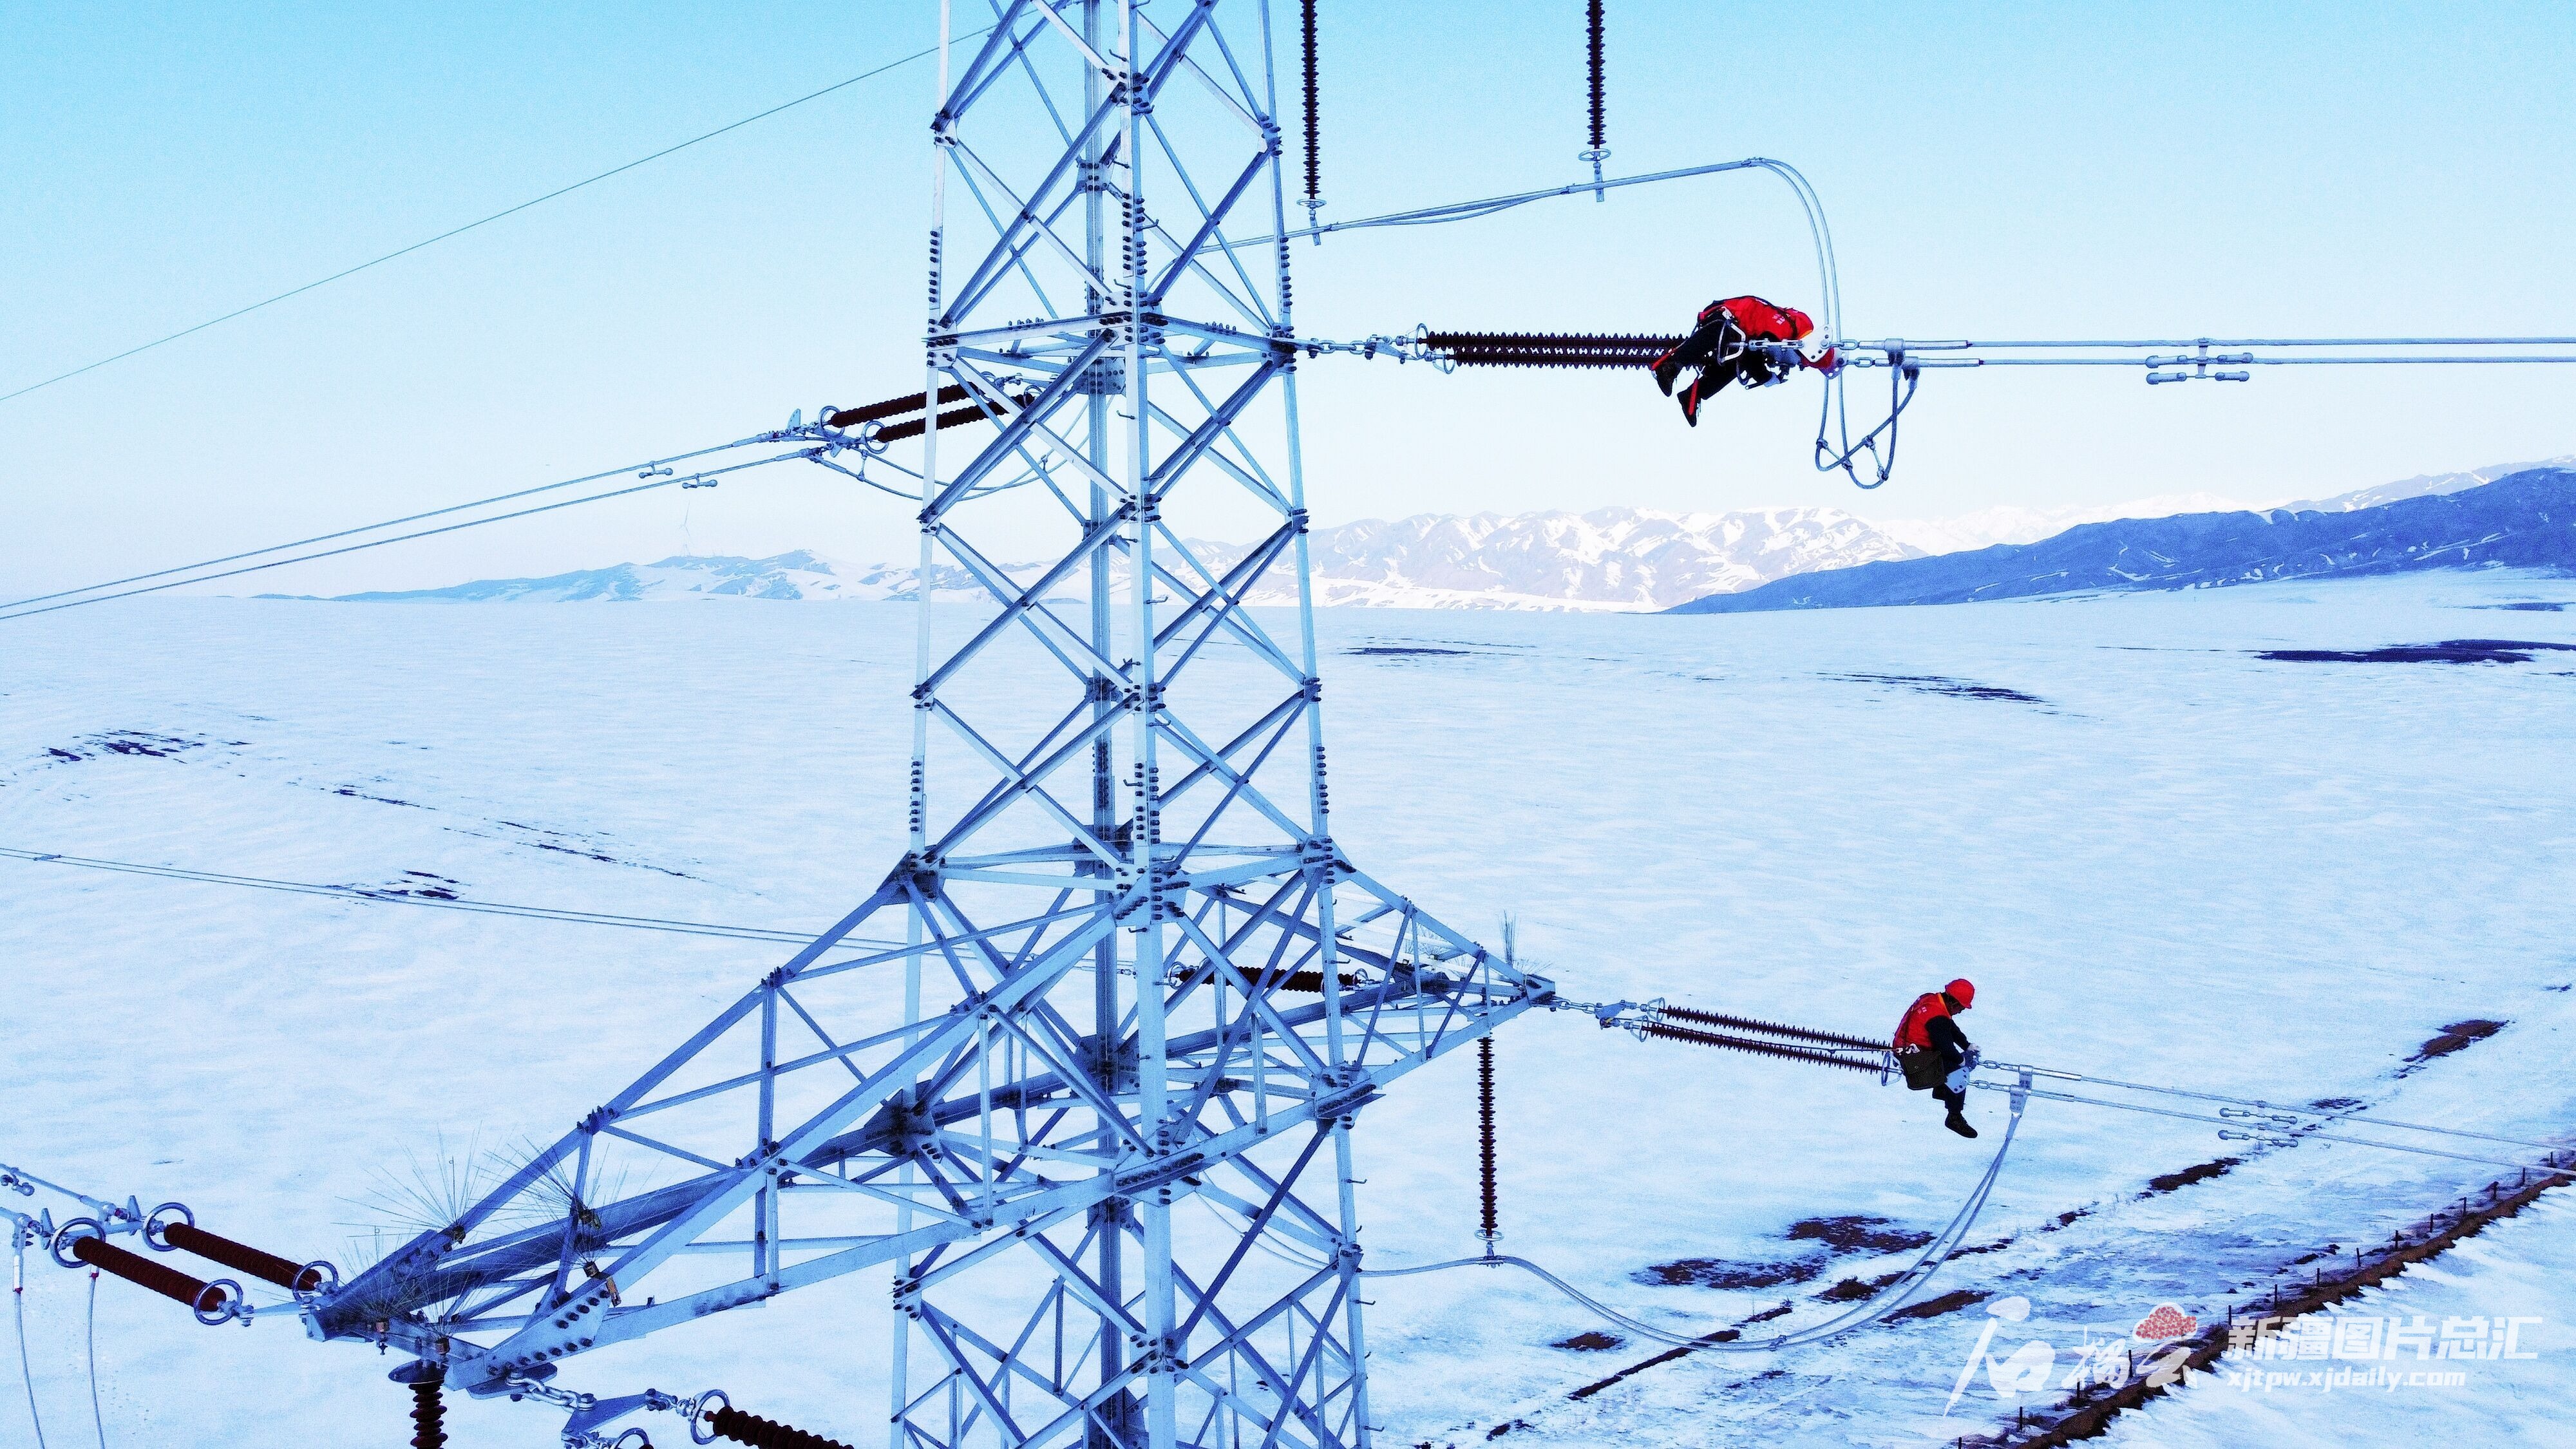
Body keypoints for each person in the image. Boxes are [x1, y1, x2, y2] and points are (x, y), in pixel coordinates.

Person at [1649, 295, 1834, 425]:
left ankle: (1692, 395)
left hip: (1740, 328)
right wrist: (1767, 378)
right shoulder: (1782, 334)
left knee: (1735, 362)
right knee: (1725, 337)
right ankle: (1670, 366)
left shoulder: (1797, 328)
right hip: (1725, 316)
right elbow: (1754, 357)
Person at [1893, 978, 1980, 1138]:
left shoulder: (1934, 1001)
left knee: (1951, 1062)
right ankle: (1954, 1117)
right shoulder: (1937, 1018)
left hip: (1911, 1049)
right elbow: (1946, 1048)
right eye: (1962, 1007)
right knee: (1958, 1071)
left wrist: (1967, 1045)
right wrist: (1962, 1061)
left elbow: (1950, 1028)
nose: (1961, 1011)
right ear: (1954, 1002)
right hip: (1914, 1059)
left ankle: (1942, 1090)